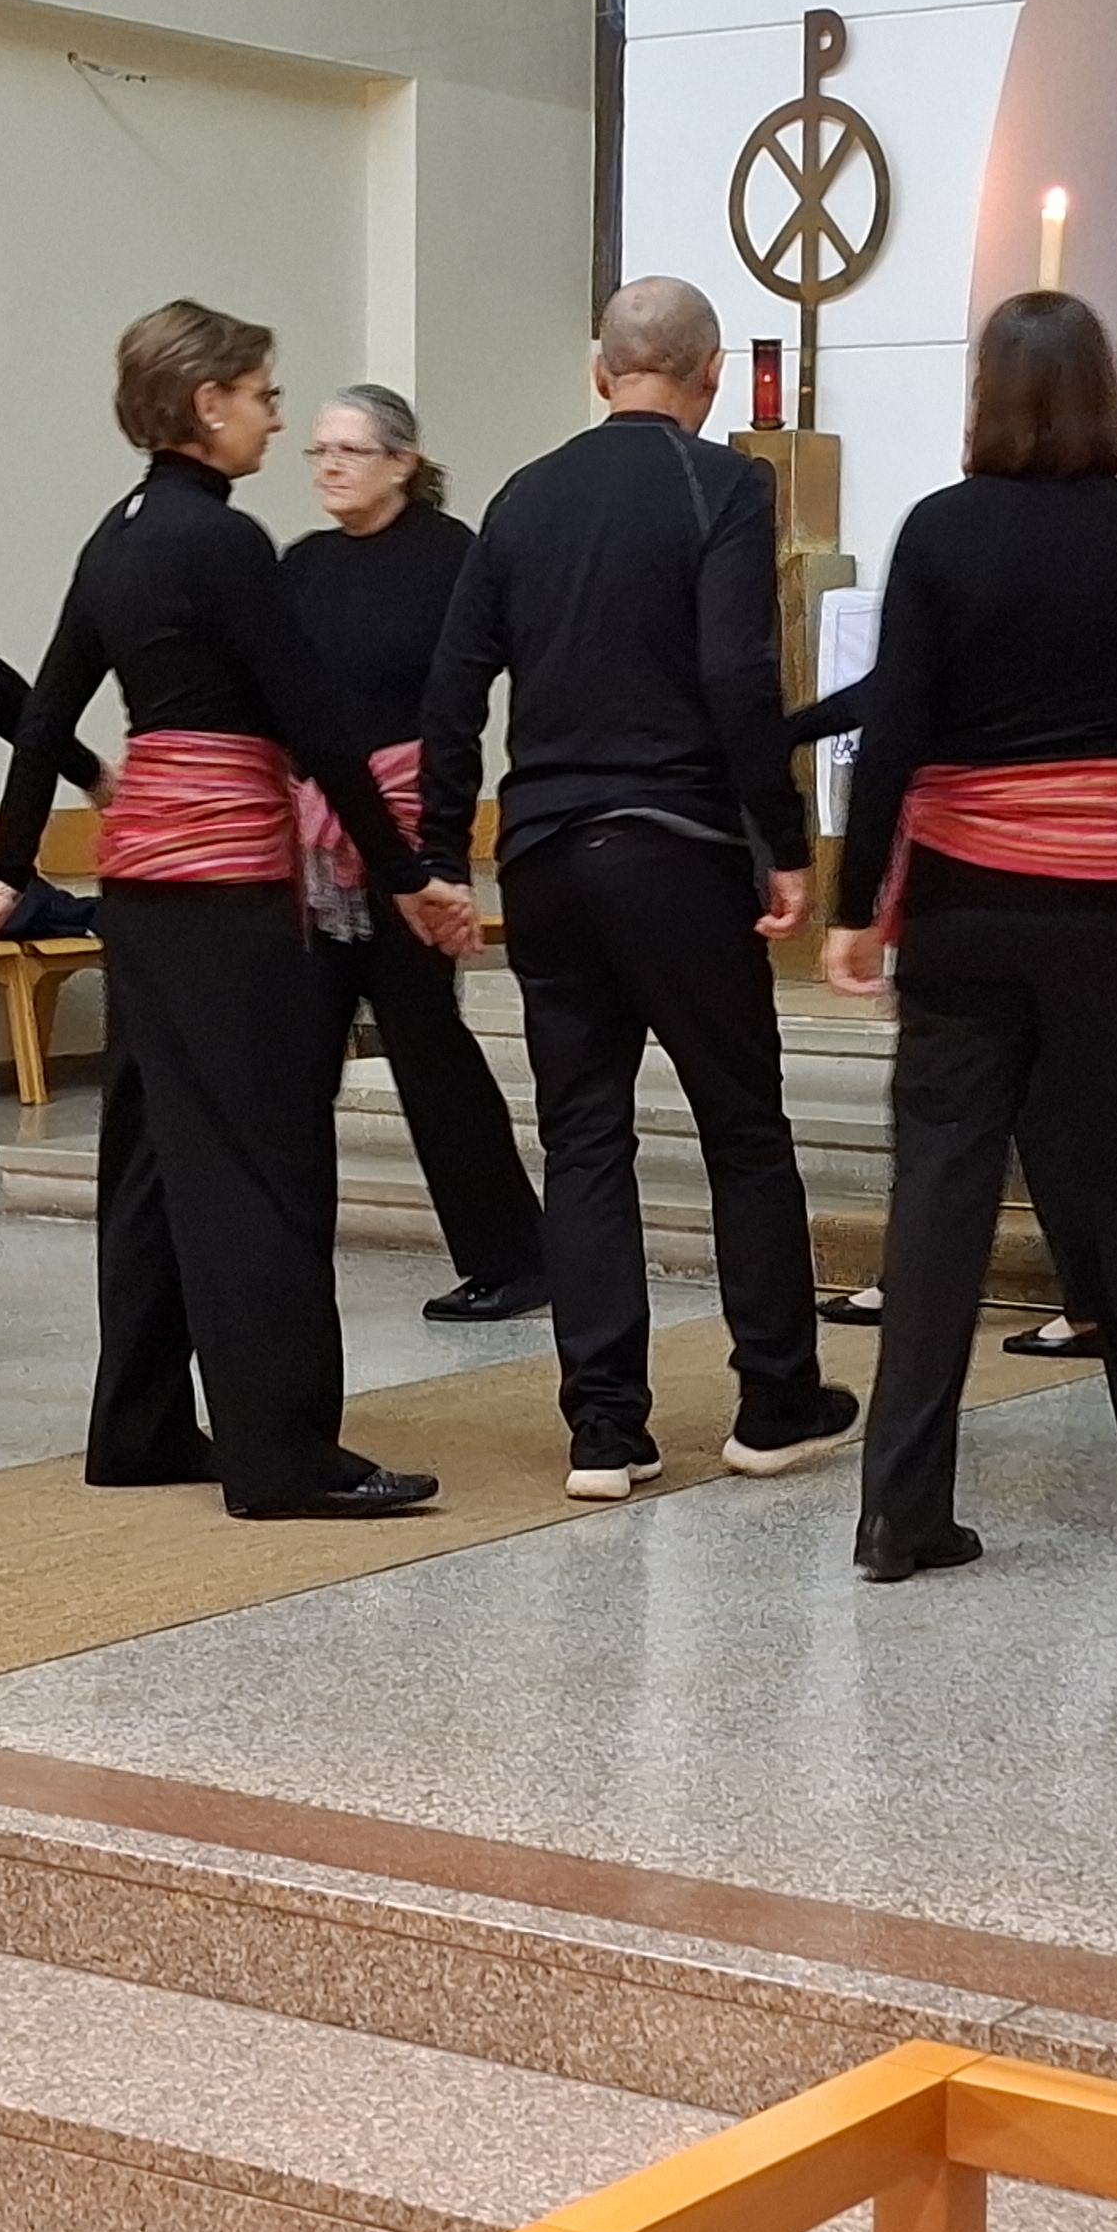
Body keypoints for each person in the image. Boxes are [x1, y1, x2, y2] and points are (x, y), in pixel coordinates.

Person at [0, 302, 468, 1523]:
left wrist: (6, 861)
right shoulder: (224, 540)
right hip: (225, 887)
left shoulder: (119, 532)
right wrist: (404, 872)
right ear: (206, 404)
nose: (273, 419)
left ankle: (139, 1425)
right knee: (264, 1163)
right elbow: (316, 722)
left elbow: (46, 711)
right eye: (262, 395)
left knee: (152, 1155)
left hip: (143, 888)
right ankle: (283, 1455)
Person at [418, 277, 855, 1505]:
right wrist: (782, 841)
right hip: (675, 849)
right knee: (743, 1129)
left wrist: (442, 855)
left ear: (599, 371)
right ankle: (776, 1402)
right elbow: (737, 673)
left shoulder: (522, 496)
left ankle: (606, 1431)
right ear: (710, 376)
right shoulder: (722, 486)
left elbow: (452, 690)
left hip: (545, 859)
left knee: (584, 1139)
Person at [823, 290, 1117, 1582]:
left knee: (940, 1197)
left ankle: (900, 1514)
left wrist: (854, 913)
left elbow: (893, 731)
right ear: (1108, 399)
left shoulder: (941, 530)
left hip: (964, 910)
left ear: (984, 396)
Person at [281, 387, 548, 1324]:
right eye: (318, 450)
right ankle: (285, 1257)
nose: (328, 466)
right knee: (296, 1058)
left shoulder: (452, 557)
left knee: (430, 1051)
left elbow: (456, 717)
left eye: (349, 451)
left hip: (408, 836)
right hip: (313, 850)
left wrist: (438, 853)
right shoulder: (302, 565)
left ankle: (514, 1257)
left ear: (402, 461)